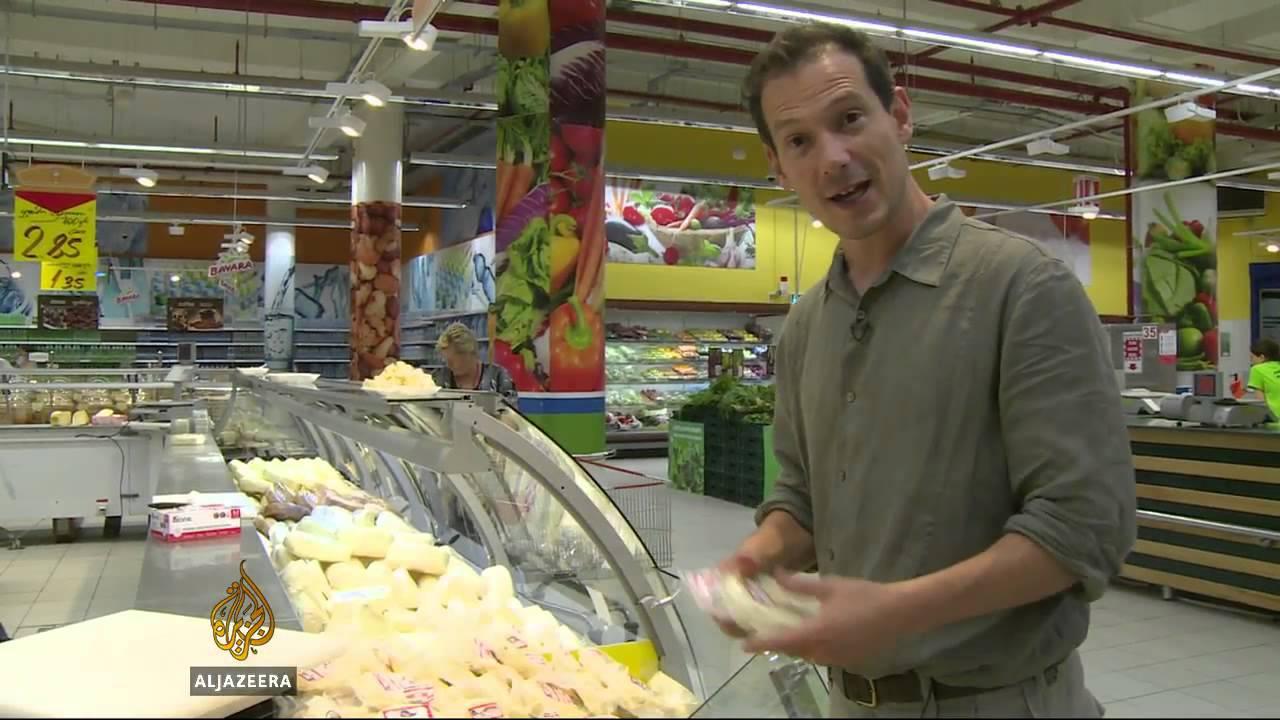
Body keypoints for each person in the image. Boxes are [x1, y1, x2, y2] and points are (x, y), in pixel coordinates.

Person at [719, 23, 1136, 718]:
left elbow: (1085, 527)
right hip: (852, 704)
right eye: (800, 141)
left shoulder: (1021, 289)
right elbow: (804, 497)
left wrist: (893, 611)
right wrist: (763, 552)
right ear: (777, 166)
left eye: (850, 118)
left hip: (997, 701)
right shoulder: (802, 328)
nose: (834, 158)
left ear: (901, 115)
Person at [431, 322, 517, 404]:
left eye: (451, 361)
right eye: (445, 361)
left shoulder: (499, 377)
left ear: (469, 353)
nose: (448, 365)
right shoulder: (438, 379)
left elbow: (512, 415)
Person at [1244, 338, 1280, 421]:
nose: (1251, 362)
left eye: (1252, 358)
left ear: (1261, 357)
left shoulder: (1257, 369)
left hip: (1274, 419)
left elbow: (1260, 402)